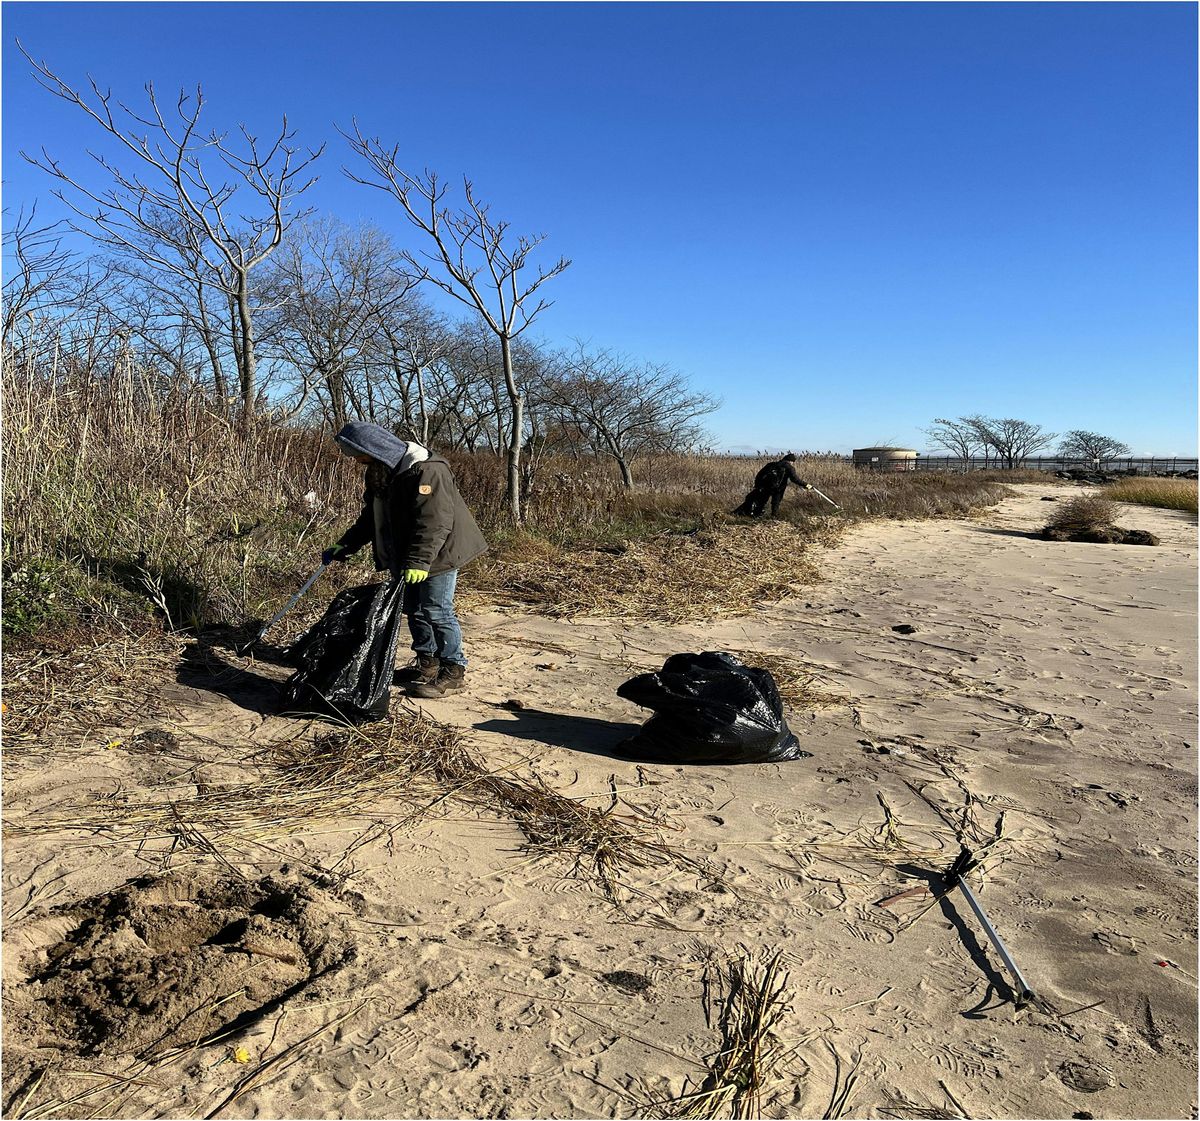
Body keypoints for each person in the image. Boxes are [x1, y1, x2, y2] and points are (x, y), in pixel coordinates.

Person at [322, 422, 487, 699]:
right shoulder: (379, 471)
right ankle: (427, 664)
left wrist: (420, 563)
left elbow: (435, 524)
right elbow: (370, 517)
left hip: (440, 552)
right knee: (414, 609)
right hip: (406, 553)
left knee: (437, 609)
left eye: (356, 454)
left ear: (372, 449)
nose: (355, 460)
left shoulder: (428, 471)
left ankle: (454, 668)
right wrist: (345, 545)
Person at [733, 453, 814, 517]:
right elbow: (795, 479)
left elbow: (760, 474)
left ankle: (755, 515)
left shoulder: (771, 464)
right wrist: (806, 485)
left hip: (765, 487)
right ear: (791, 461)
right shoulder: (789, 467)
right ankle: (774, 516)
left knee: (761, 501)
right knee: (776, 503)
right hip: (778, 488)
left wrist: (757, 485)